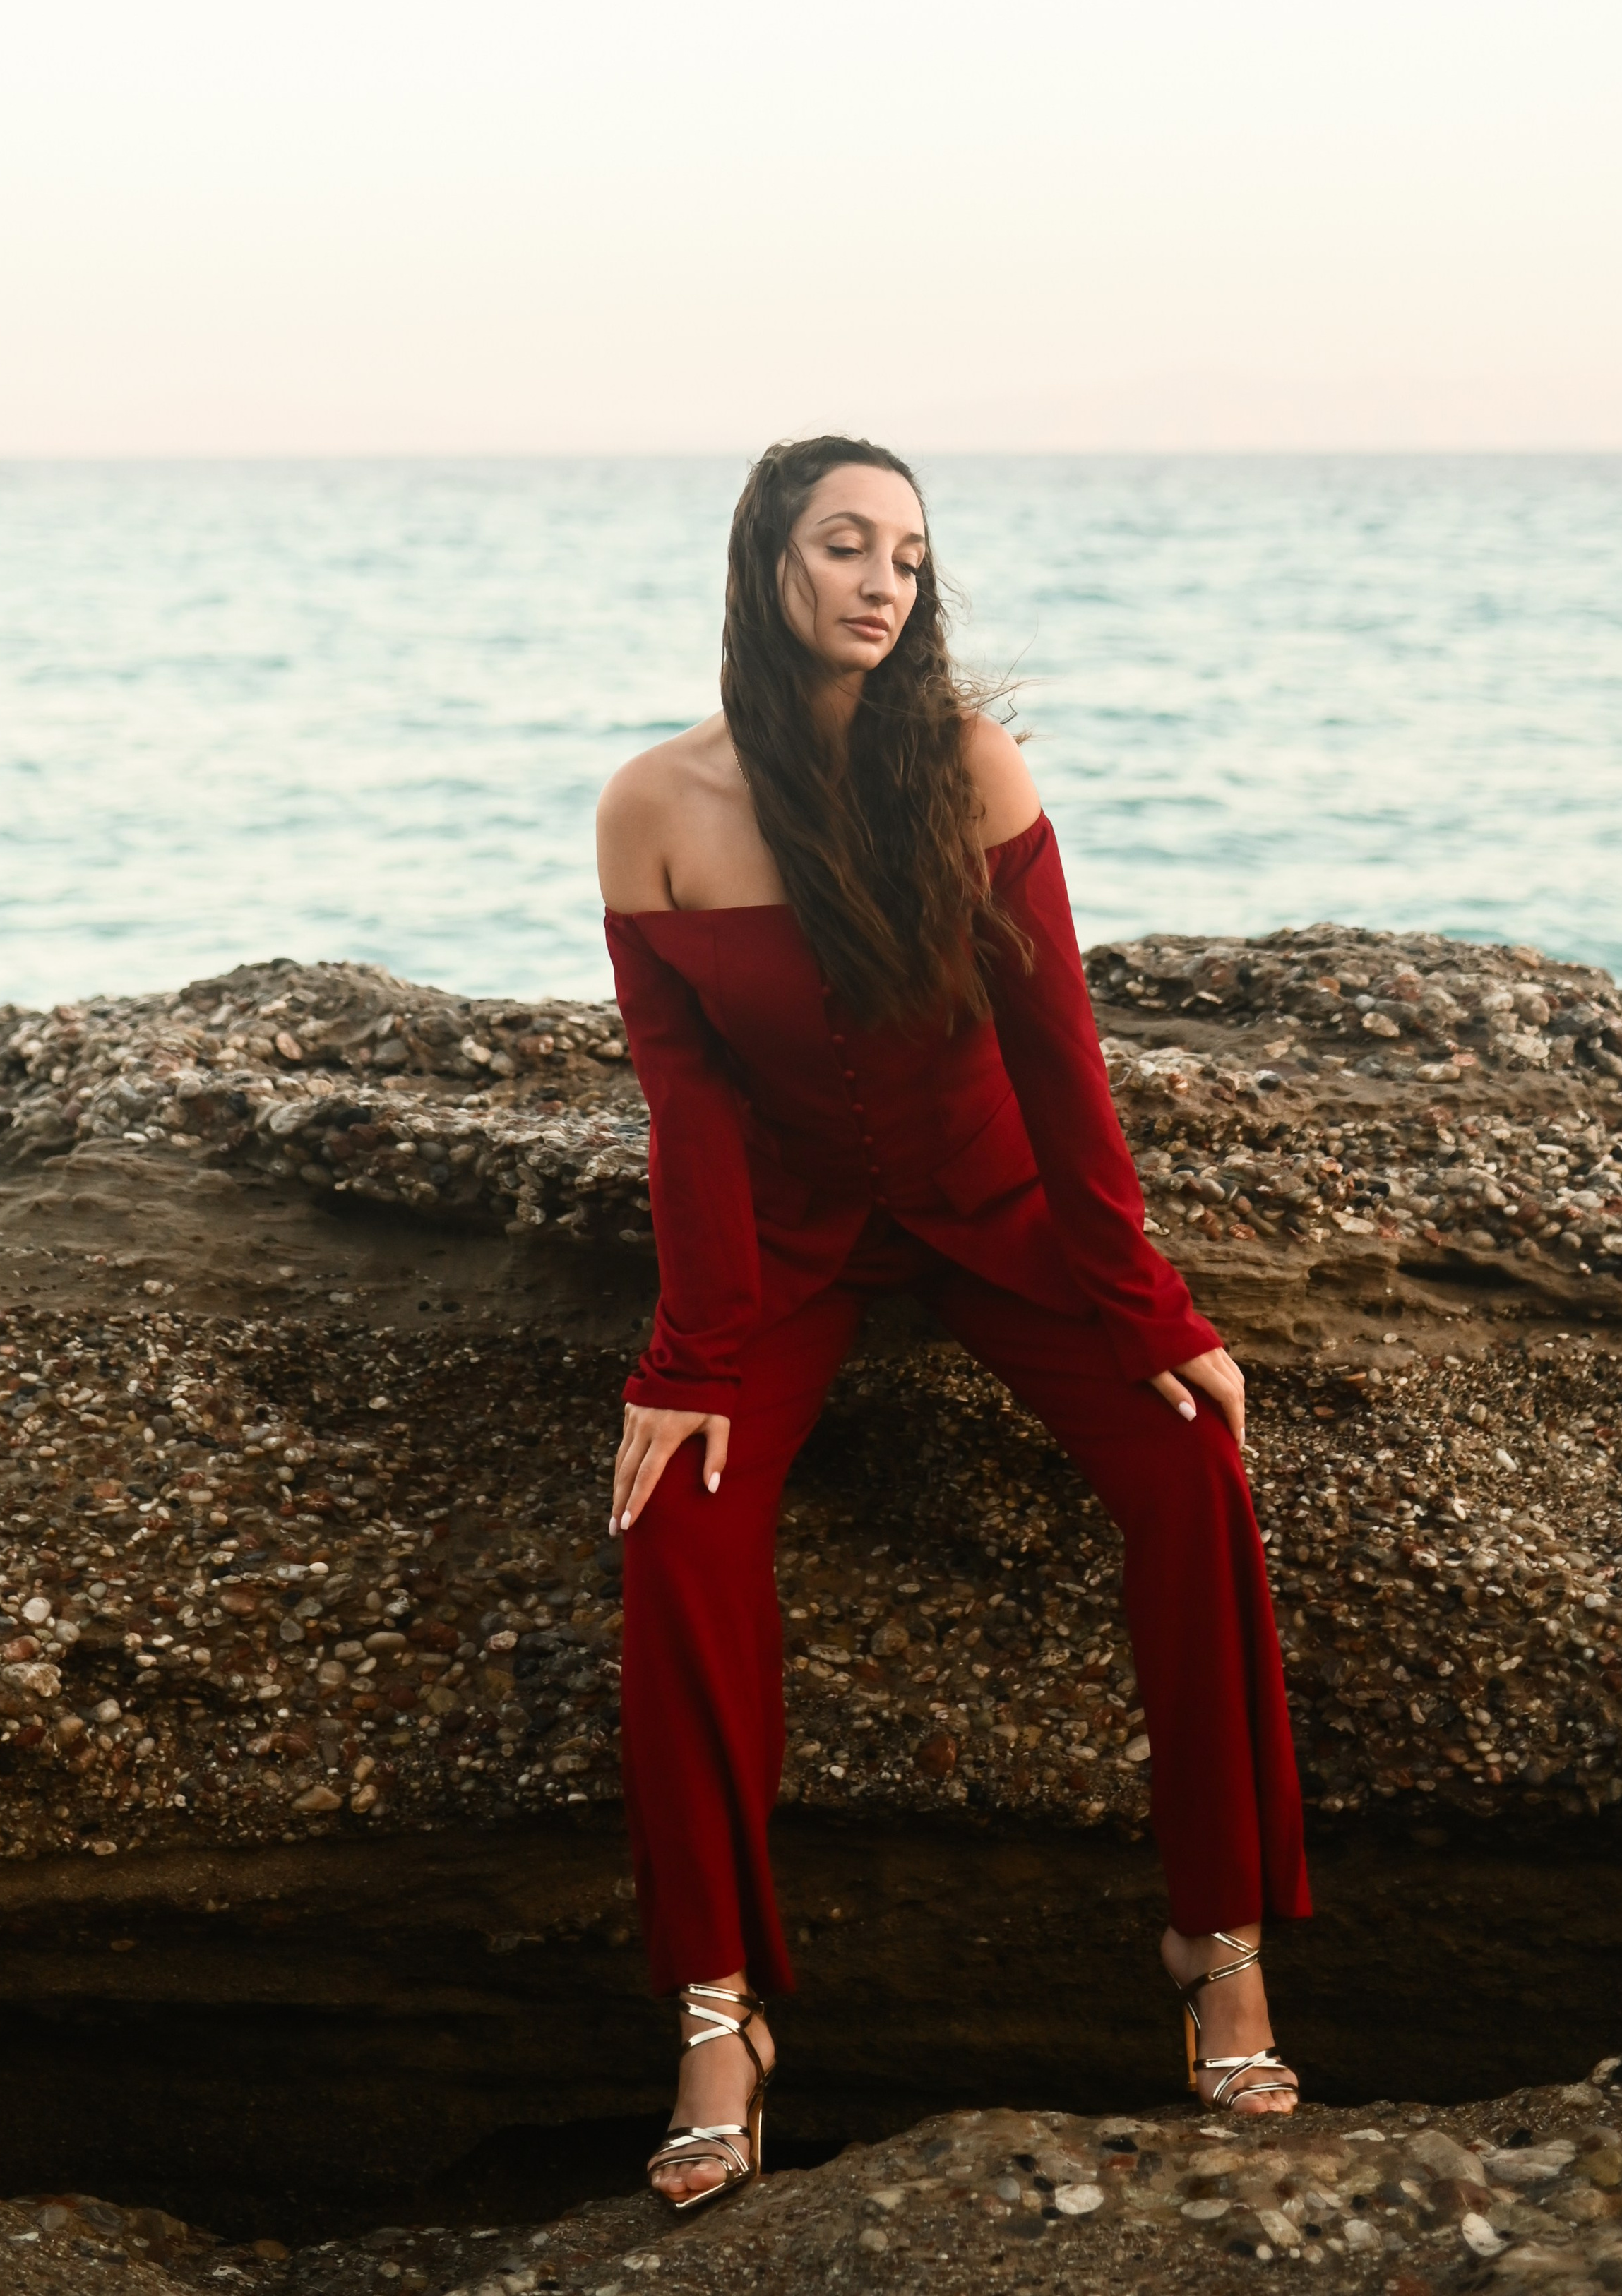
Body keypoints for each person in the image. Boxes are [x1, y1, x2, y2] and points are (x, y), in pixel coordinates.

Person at [597, 436, 1309, 2211]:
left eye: (907, 557)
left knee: (1187, 1457)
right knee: (674, 1530)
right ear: (767, 561)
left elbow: (1060, 1054)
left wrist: (1143, 1297)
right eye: (844, 546)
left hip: (1000, 1215)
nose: (881, 582)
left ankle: (1214, 1946)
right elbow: (682, 1103)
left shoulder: (966, 766)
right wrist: (688, 1357)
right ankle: (718, 2012)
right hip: (789, 1247)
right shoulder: (652, 810)